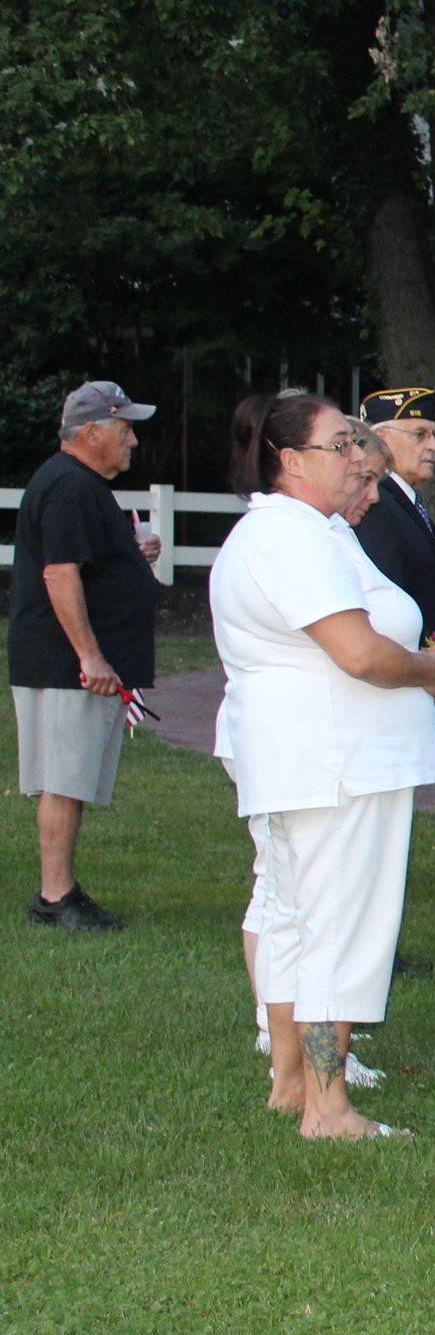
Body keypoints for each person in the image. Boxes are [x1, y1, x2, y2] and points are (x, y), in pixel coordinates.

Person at [210, 392, 435, 1140]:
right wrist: (429, 670)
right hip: (336, 762)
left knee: (296, 922)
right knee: (336, 933)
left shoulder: (304, 530)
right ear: (289, 460)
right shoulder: (293, 537)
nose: (356, 458)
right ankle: (328, 1104)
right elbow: (358, 651)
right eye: (340, 445)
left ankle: (292, 1082)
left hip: (315, 758)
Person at [10, 380, 162, 929]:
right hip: (63, 664)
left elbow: (81, 558)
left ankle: (60, 892)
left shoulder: (82, 485)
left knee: (68, 779)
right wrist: (90, 656)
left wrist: (131, 550)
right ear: (91, 432)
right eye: (124, 431)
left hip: (69, 663)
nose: (132, 442)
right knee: (63, 778)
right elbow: (59, 572)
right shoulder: (71, 486)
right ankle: (55, 898)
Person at [351, 386, 435, 729]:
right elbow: (382, 603)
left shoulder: (404, 503)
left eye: (434, 435)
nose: (434, 447)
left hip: (415, 690)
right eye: (420, 434)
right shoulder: (375, 506)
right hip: (392, 699)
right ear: (380, 438)